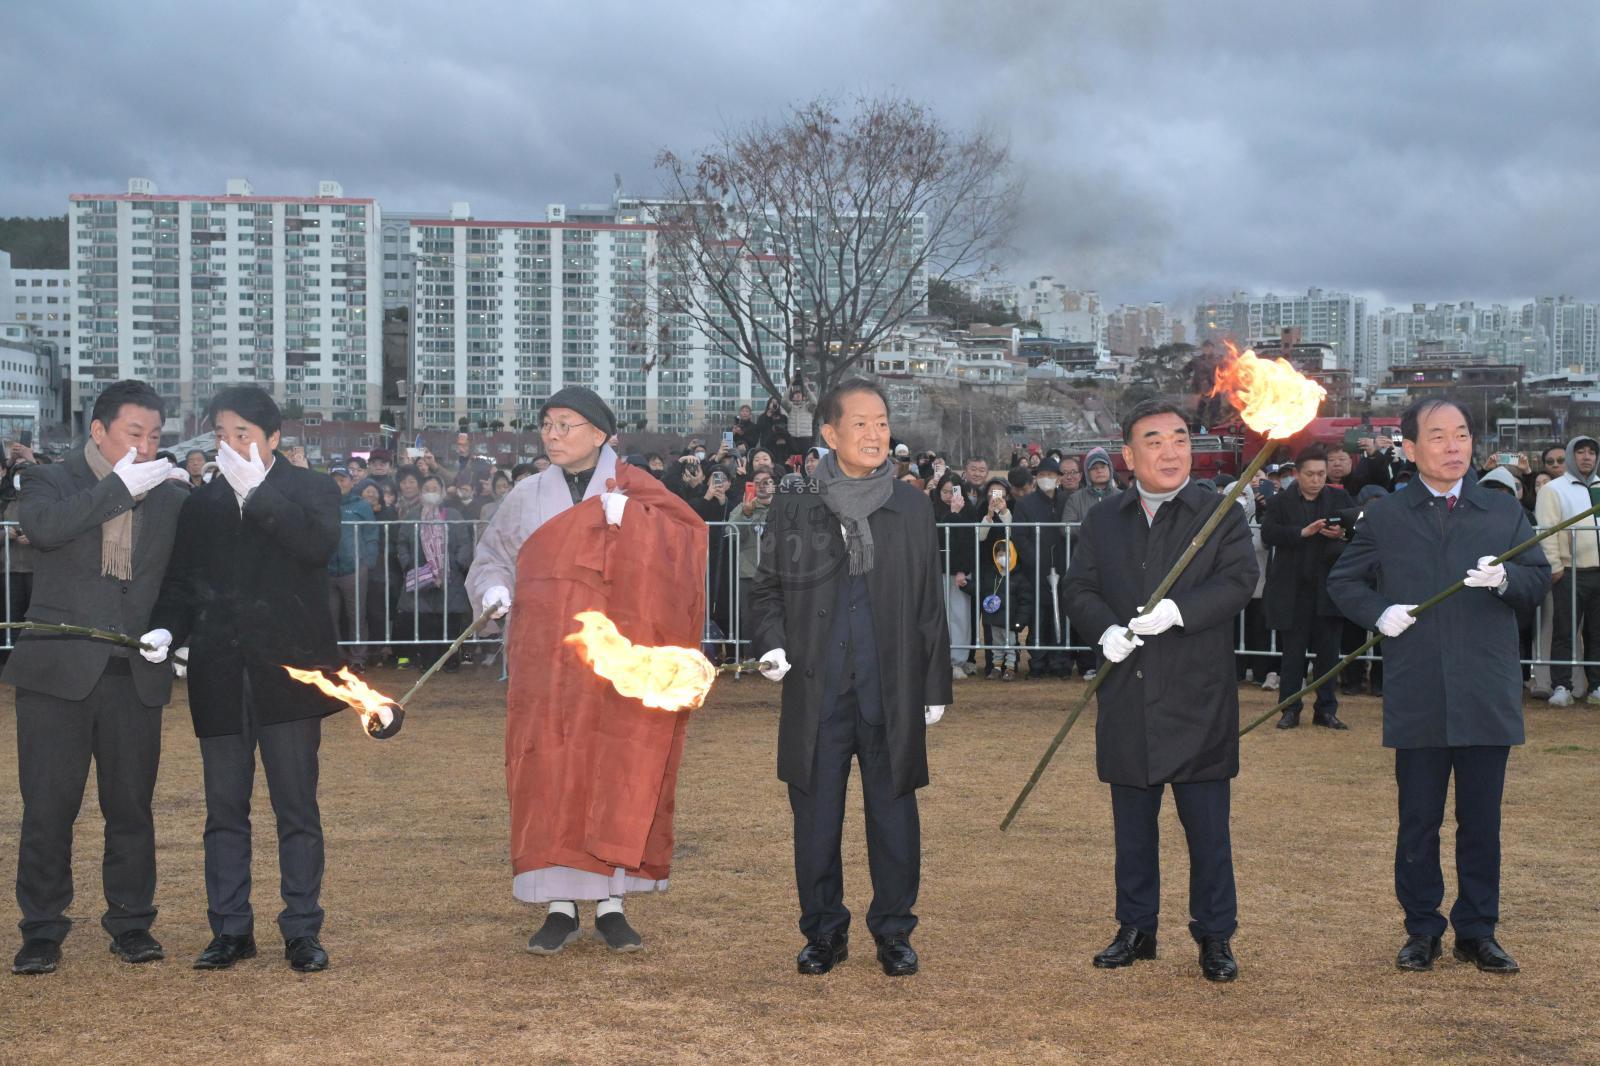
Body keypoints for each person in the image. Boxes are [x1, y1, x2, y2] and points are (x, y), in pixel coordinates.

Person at [466, 386, 706, 955]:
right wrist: (495, 590)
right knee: (550, 771)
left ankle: (613, 902)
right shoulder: (528, 494)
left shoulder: (637, 491)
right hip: (548, 660)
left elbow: (688, 542)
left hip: (617, 656)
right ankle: (558, 904)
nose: (552, 434)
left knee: (615, 765)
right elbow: (492, 556)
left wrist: (640, 524)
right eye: (547, 424)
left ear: (600, 434)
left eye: (566, 424)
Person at [1328, 397, 1549, 975]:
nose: (1453, 447)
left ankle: (1478, 929)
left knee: (1482, 821)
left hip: (1485, 688)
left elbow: (1536, 581)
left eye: (1461, 435)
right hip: (1419, 686)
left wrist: (1507, 579)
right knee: (1418, 819)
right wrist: (1379, 613)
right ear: (1409, 448)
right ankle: (1421, 927)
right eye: (1438, 436)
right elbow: (1344, 581)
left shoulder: (1501, 511)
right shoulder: (1386, 515)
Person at [749, 379, 949, 978]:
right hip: (817, 688)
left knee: (894, 819)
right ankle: (823, 932)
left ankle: (894, 931)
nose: (874, 434)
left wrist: (933, 687)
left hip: (891, 690)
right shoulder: (796, 504)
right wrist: (773, 643)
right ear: (830, 434)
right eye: (859, 423)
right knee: (815, 822)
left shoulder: (910, 505)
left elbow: (927, 603)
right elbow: (765, 590)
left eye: (882, 423)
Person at [143, 385, 345, 974]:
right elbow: (182, 583)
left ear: (272, 439)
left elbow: (317, 546)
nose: (230, 447)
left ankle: (301, 929)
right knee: (224, 810)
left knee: (296, 807)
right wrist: (165, 630)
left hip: (291, 675)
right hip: (219, 672)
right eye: (222, 435)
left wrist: (258, 495)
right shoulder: (200, 504)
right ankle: (229, 928)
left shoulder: (309, 490)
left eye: (243, 435)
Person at [1061, 398, 1258, 983]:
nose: (1170, 451)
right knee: (1132, 827)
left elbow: (1241, 581)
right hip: (1128, 691)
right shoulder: (1104, 519)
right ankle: (1136, 926)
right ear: (1128, 455)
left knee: (1207, 830)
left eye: (1179, 439)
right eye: (1154, 440)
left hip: (1197, 694)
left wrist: (1179, 610)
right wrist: (1105, 630)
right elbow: (1078, 588)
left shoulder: (1217, 512)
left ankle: (1215, 934)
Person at [6, 381, 188, 976]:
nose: (145, 446)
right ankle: (42, 928)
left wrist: (172, 631)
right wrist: (117, 490)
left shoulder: (167, 495)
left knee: (131, 807)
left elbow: (182, 580)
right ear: (98, 430)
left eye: (155, 437)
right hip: (57, 674)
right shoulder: (49, 479)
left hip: (134, 674)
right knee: (48, 809)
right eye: (134, 434)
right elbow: (46, 528)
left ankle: (133, 923)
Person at [1259, 446, 1355, 730]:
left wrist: (1342, 533)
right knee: (1292, 656)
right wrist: (1302, 533)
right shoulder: (1280, 501)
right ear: (1297, 474)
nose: (1316, 480)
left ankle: (1326, 710)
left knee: (1328, 655)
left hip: (1328, 589)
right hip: (1292, 590)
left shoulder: (1339, 497)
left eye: (1321, 474)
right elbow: (1268, 532)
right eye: (1310, 474)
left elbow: (1360, 528)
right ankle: (1290, 709)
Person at [1533, 434, 1600, 707]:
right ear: (1572, 456)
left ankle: (1597, 685)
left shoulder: (1599, 485)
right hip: (1570, 571)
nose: (1586, 457)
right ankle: (1562, 685)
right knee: (1564, 631)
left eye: (1591, 453)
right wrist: (1554, 566)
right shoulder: (1554, 489)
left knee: (1598, 632)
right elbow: (1546, 530)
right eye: (1581, 452)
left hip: (1598, 571)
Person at [395, 473, 474, 672]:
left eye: (435, 489)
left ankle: (450, 660)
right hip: (421, 576)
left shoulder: (453, 514)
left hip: (450, 576)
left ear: (442, 492)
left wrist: (458, 563)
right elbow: (402, 543)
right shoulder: (412, 516)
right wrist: (408, 566)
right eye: (427, 489)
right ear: (421, 493)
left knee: (451, 620)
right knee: (424, 620)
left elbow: (465, 541)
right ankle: (428, 660)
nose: (431, 493)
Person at [1014, 456, 1072, 679]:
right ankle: (1038, 662)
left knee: (1061, 615)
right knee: (1038, 617)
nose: (1046, 479)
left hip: (1064, 567)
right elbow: (1020, 536)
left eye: (1051, 475)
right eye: (1042, 476)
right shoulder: (1025, 504)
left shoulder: (1067, 501)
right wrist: (1034, 560)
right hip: (1035, 570)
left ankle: (1060, 662)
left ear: (1058, 478)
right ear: (1036, 478)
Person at [327, 467, 378, 672]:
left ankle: (358, 657)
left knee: (356, 615)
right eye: (335, 480)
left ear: (351, 481)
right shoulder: (324, 504)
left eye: (343, 479)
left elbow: (371, 534)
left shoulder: (361, 505)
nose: (339, 483)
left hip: (355, 568)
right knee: (331, 616)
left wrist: (368, 562)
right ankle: (336, 657)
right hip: (328, 568)